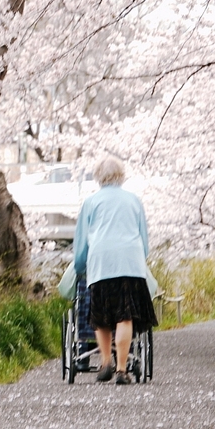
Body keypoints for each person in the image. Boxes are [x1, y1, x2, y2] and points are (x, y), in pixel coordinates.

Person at [73, 156, 158, 385]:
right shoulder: (134, 201)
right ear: (121, 175)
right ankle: (122, 370)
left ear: (98, 176)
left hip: (101, 263)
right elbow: (144, 240)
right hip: (130, 263)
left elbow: (81, 243)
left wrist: (80, 266)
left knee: (100, 316)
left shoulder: (90, 203)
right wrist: (140, 260)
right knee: (125, 316)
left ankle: (106, 362)